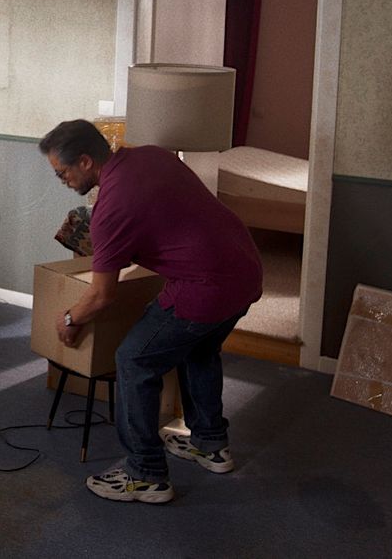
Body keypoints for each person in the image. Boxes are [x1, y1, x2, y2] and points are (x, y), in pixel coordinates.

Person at [38, 119, 261, 504]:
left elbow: (101, 295)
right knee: (199, 348)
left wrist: (69, 317)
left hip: (205, 288)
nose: (63, 181)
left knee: (134, 360)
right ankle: (210, 444)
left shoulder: (111, 207)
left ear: (87, 161)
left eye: (63, 173)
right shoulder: (151, 156)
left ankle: (145, 474)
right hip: (246, 272)